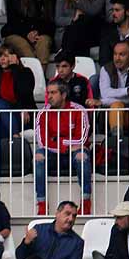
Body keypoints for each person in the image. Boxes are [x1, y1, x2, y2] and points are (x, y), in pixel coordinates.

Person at [33, 82, 91, 216]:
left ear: (64, 95)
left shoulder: (78, 110)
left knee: (82, 155)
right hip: (54, 154)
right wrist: (65, 146)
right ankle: (42, 205)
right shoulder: (43, 112)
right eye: (48, 93)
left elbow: (82, 139)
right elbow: (42, 141)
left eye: (53, 93)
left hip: (74, 154)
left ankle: (85, 203)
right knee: (39, 155)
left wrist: (57, 141)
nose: (49, 96)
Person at [15, 200, 83, 259]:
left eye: (74, 216)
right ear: (57, 214)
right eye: (67, 214)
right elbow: (19, 257)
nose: (71, 219)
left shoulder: (77, 242)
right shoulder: (39, 230)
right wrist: (26, 242)